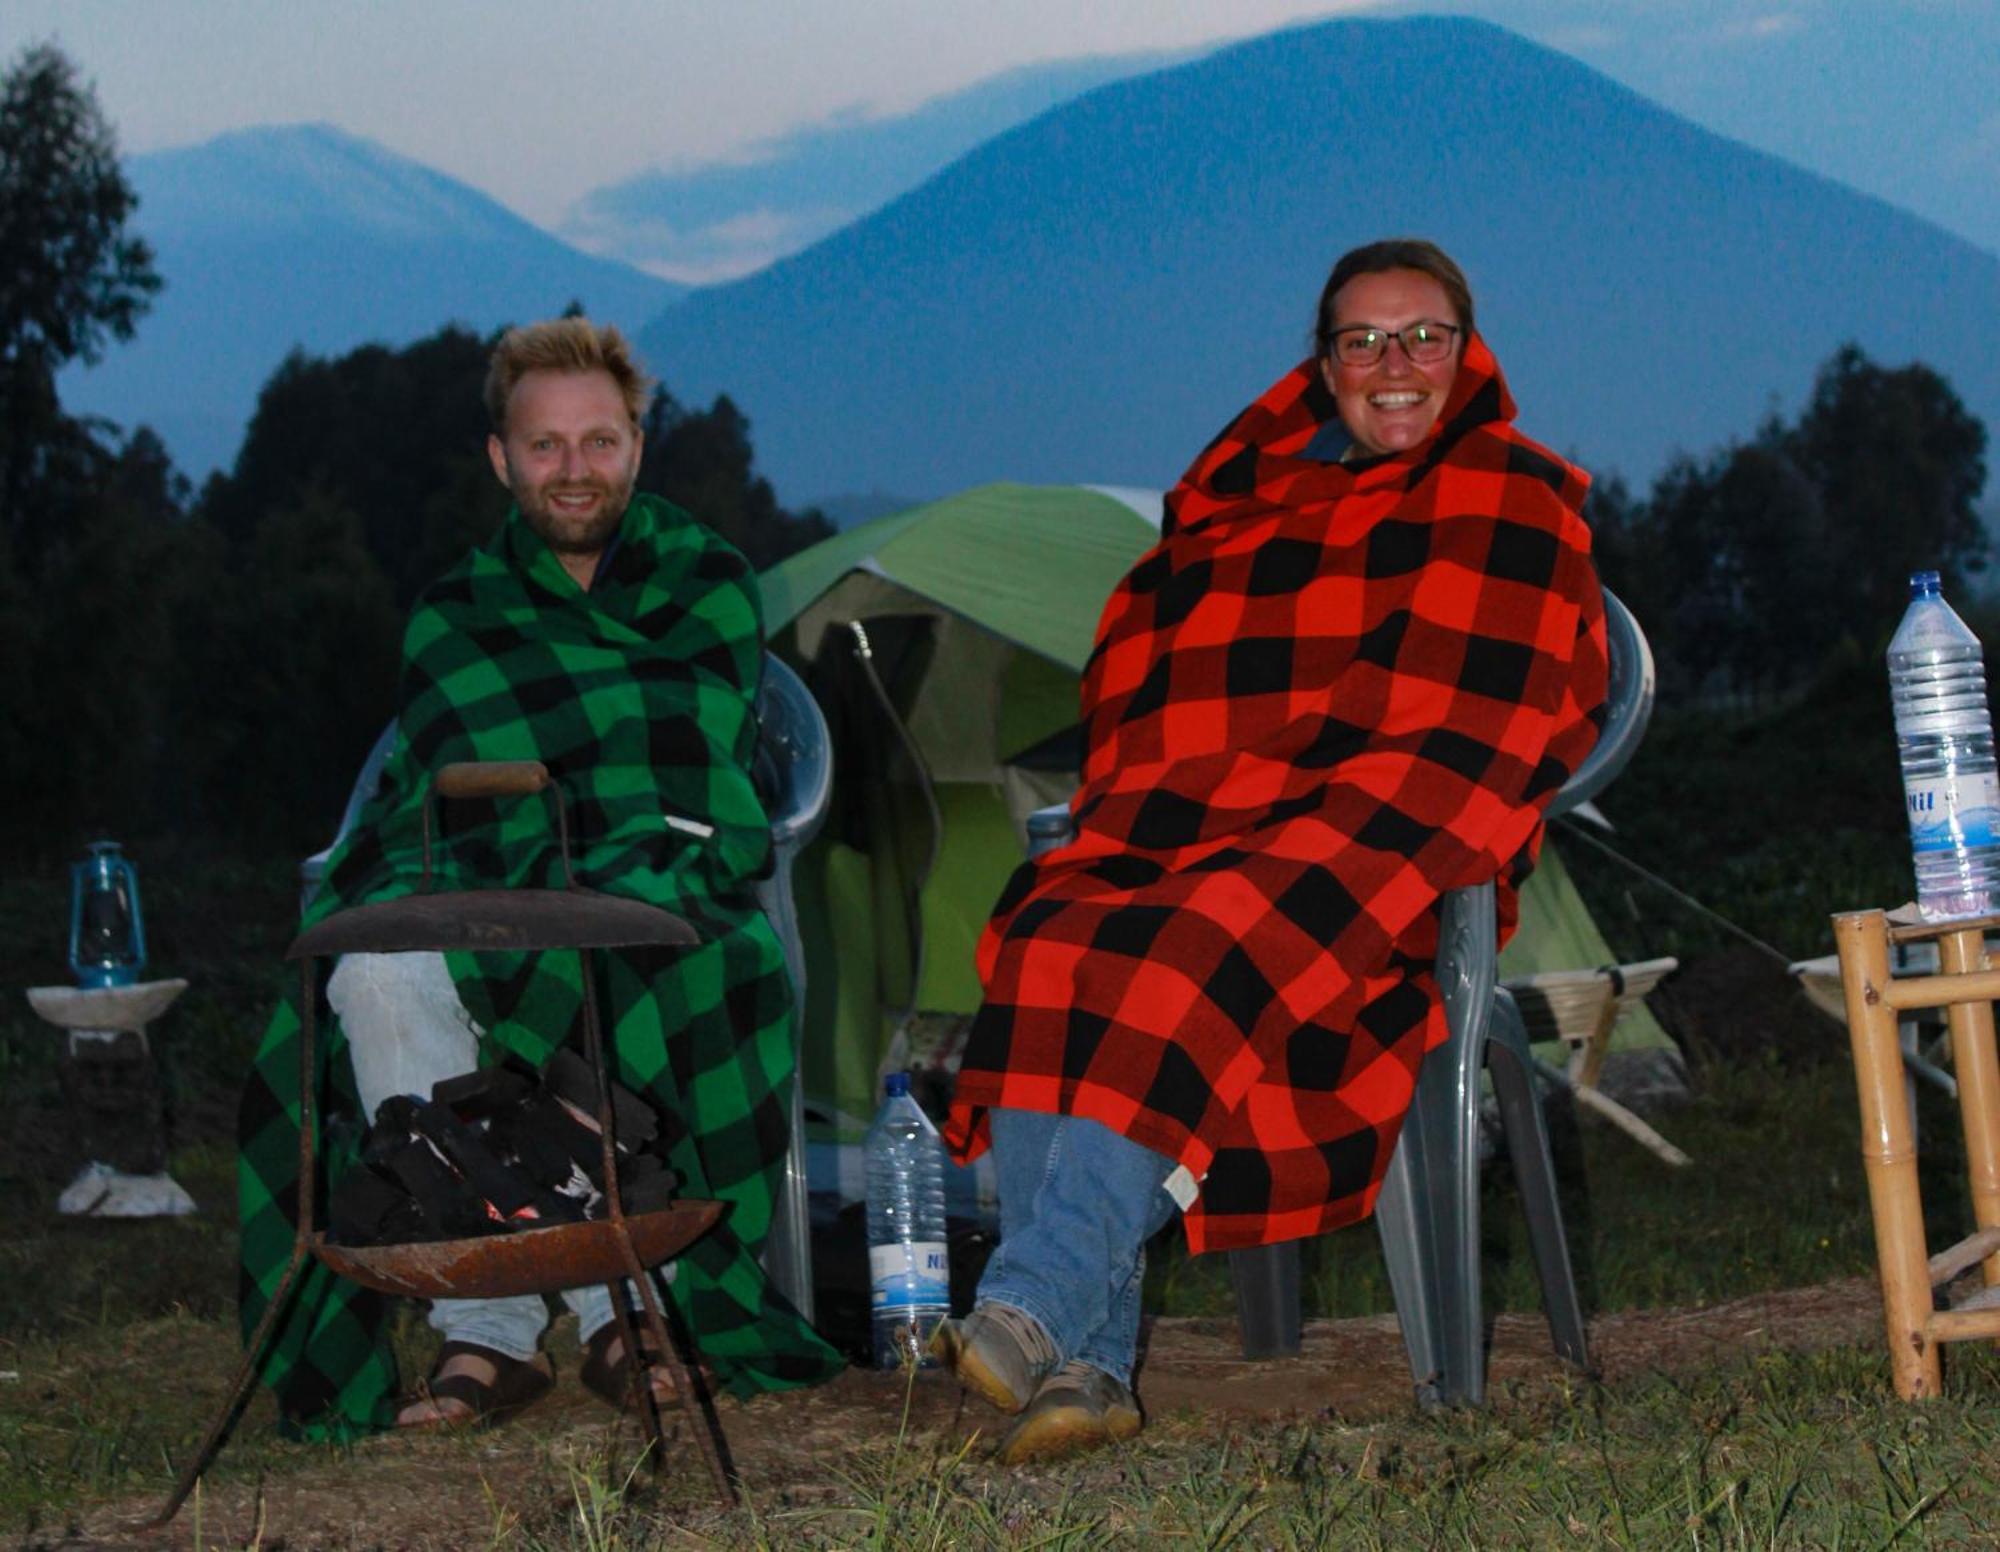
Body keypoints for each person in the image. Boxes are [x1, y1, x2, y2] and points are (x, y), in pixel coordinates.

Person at [934, 238, 1609, 1463]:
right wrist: (1219, 808)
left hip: (1390, 869)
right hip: (1220, 839)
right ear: (1324, 367)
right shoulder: (1269, 516)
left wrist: (1325, 813)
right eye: (1360, 341)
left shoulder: (1515, 494)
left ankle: (1031, 1298)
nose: (1392, 363)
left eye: (1421, 337)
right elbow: (1173, 692)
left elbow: (1485, 720)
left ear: (1468, 354)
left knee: (1190, 943)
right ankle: (1084, 1368)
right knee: (1052, 928)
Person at [236, 318, 842, 1437]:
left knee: (635, 954)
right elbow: (431, 786)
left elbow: (688, 758)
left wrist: (592, 856)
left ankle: (628, 1303)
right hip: (479, 876)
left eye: (599, 443)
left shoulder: (706, 583)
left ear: (637, 448)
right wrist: (504, 874)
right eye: (547, 446)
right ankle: (490, 1327)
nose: (575, 470)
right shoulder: (454, 614)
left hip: (666, 876)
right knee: (371, 969)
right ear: (501, 460)